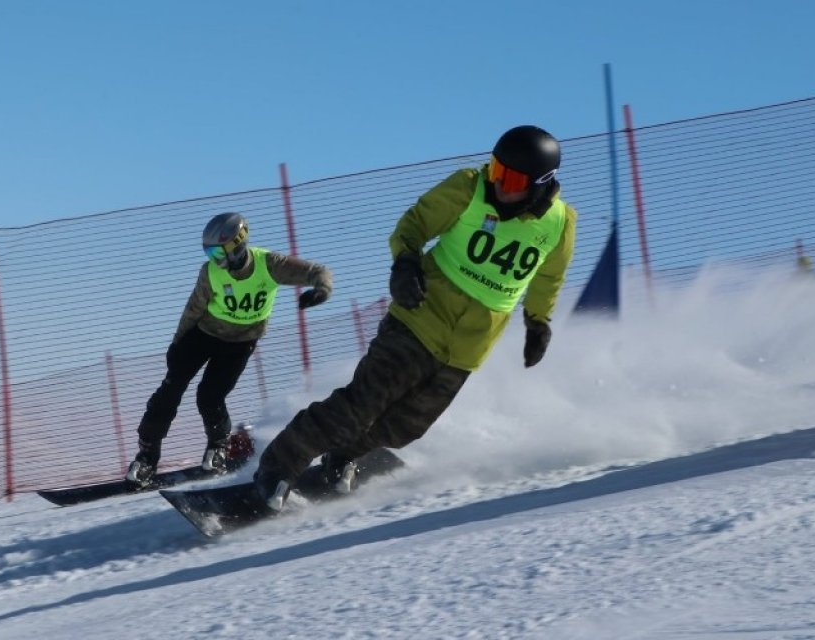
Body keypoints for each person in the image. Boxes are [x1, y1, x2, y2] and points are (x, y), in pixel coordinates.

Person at [250, 125, 577, 509]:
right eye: (496, 169)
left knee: (407, 426)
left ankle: (344, 456)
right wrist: (405, 263)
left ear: (541, 184)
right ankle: (278, 467)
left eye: (512, 178)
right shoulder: (469, 188)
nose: (500, 183)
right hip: (420, 316)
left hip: (468, 345)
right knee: (360, 406)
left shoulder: (559, 224)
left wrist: (539, 321)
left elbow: (549, 276)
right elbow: (413, 225)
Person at [125, 212, 333, 485]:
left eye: (218, 253)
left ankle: (218, 447)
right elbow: (193, 309)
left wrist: (322, 290)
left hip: (239, 343)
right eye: (210, 254)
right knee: (170, 389)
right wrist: (177, 343)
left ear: (237, 244)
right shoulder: (210, 272)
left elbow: (317, 272)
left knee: (210, 396)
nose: (215, 260)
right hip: (203, 335)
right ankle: (146, 458)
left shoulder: (269, 264)